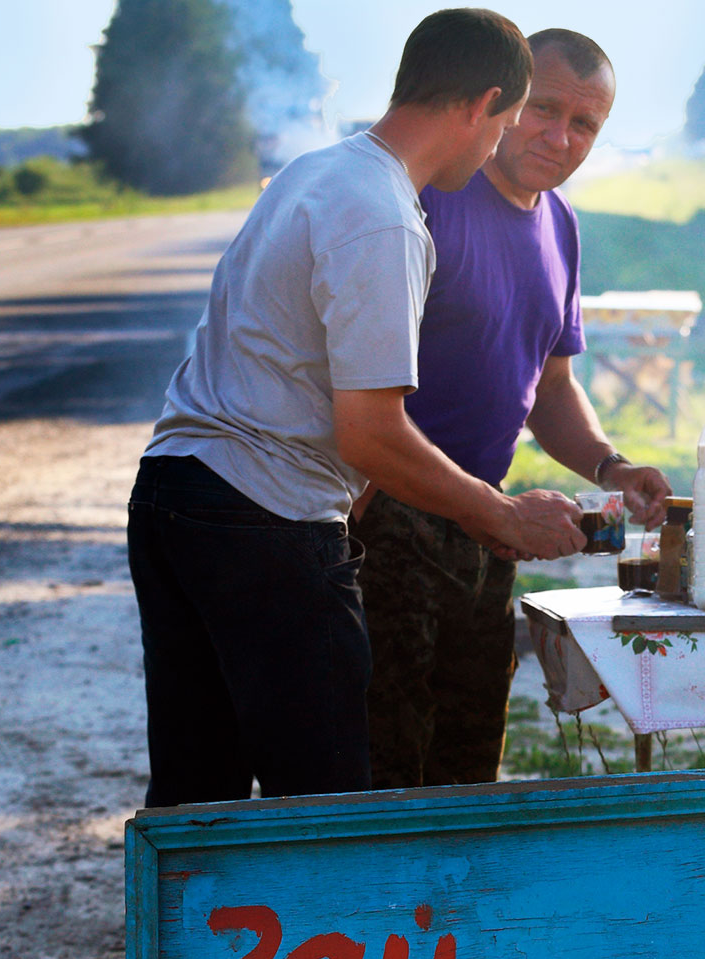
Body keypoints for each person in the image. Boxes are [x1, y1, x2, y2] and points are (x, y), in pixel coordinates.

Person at [125, 9, 583, 810]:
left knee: (199, 794)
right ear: (480, 105)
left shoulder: (314, 171)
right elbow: (369, 432)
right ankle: (332, 936)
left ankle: (182, 937)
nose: (492, 149)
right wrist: (501, 516)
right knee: (332, 800)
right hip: (263, 519)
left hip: (174, 494)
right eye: (508, 121)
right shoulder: (384, 219)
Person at [357, 27, 670, 789]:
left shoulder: (560, 226)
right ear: (502, 101)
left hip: (485, 530)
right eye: (546, 110)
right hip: (381, 516)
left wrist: (611, 465)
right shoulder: (427, 193)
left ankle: (454, 910)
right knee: (379, 767)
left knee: (467, 772)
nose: (560, 137)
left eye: (585, 124)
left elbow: (551, 389)